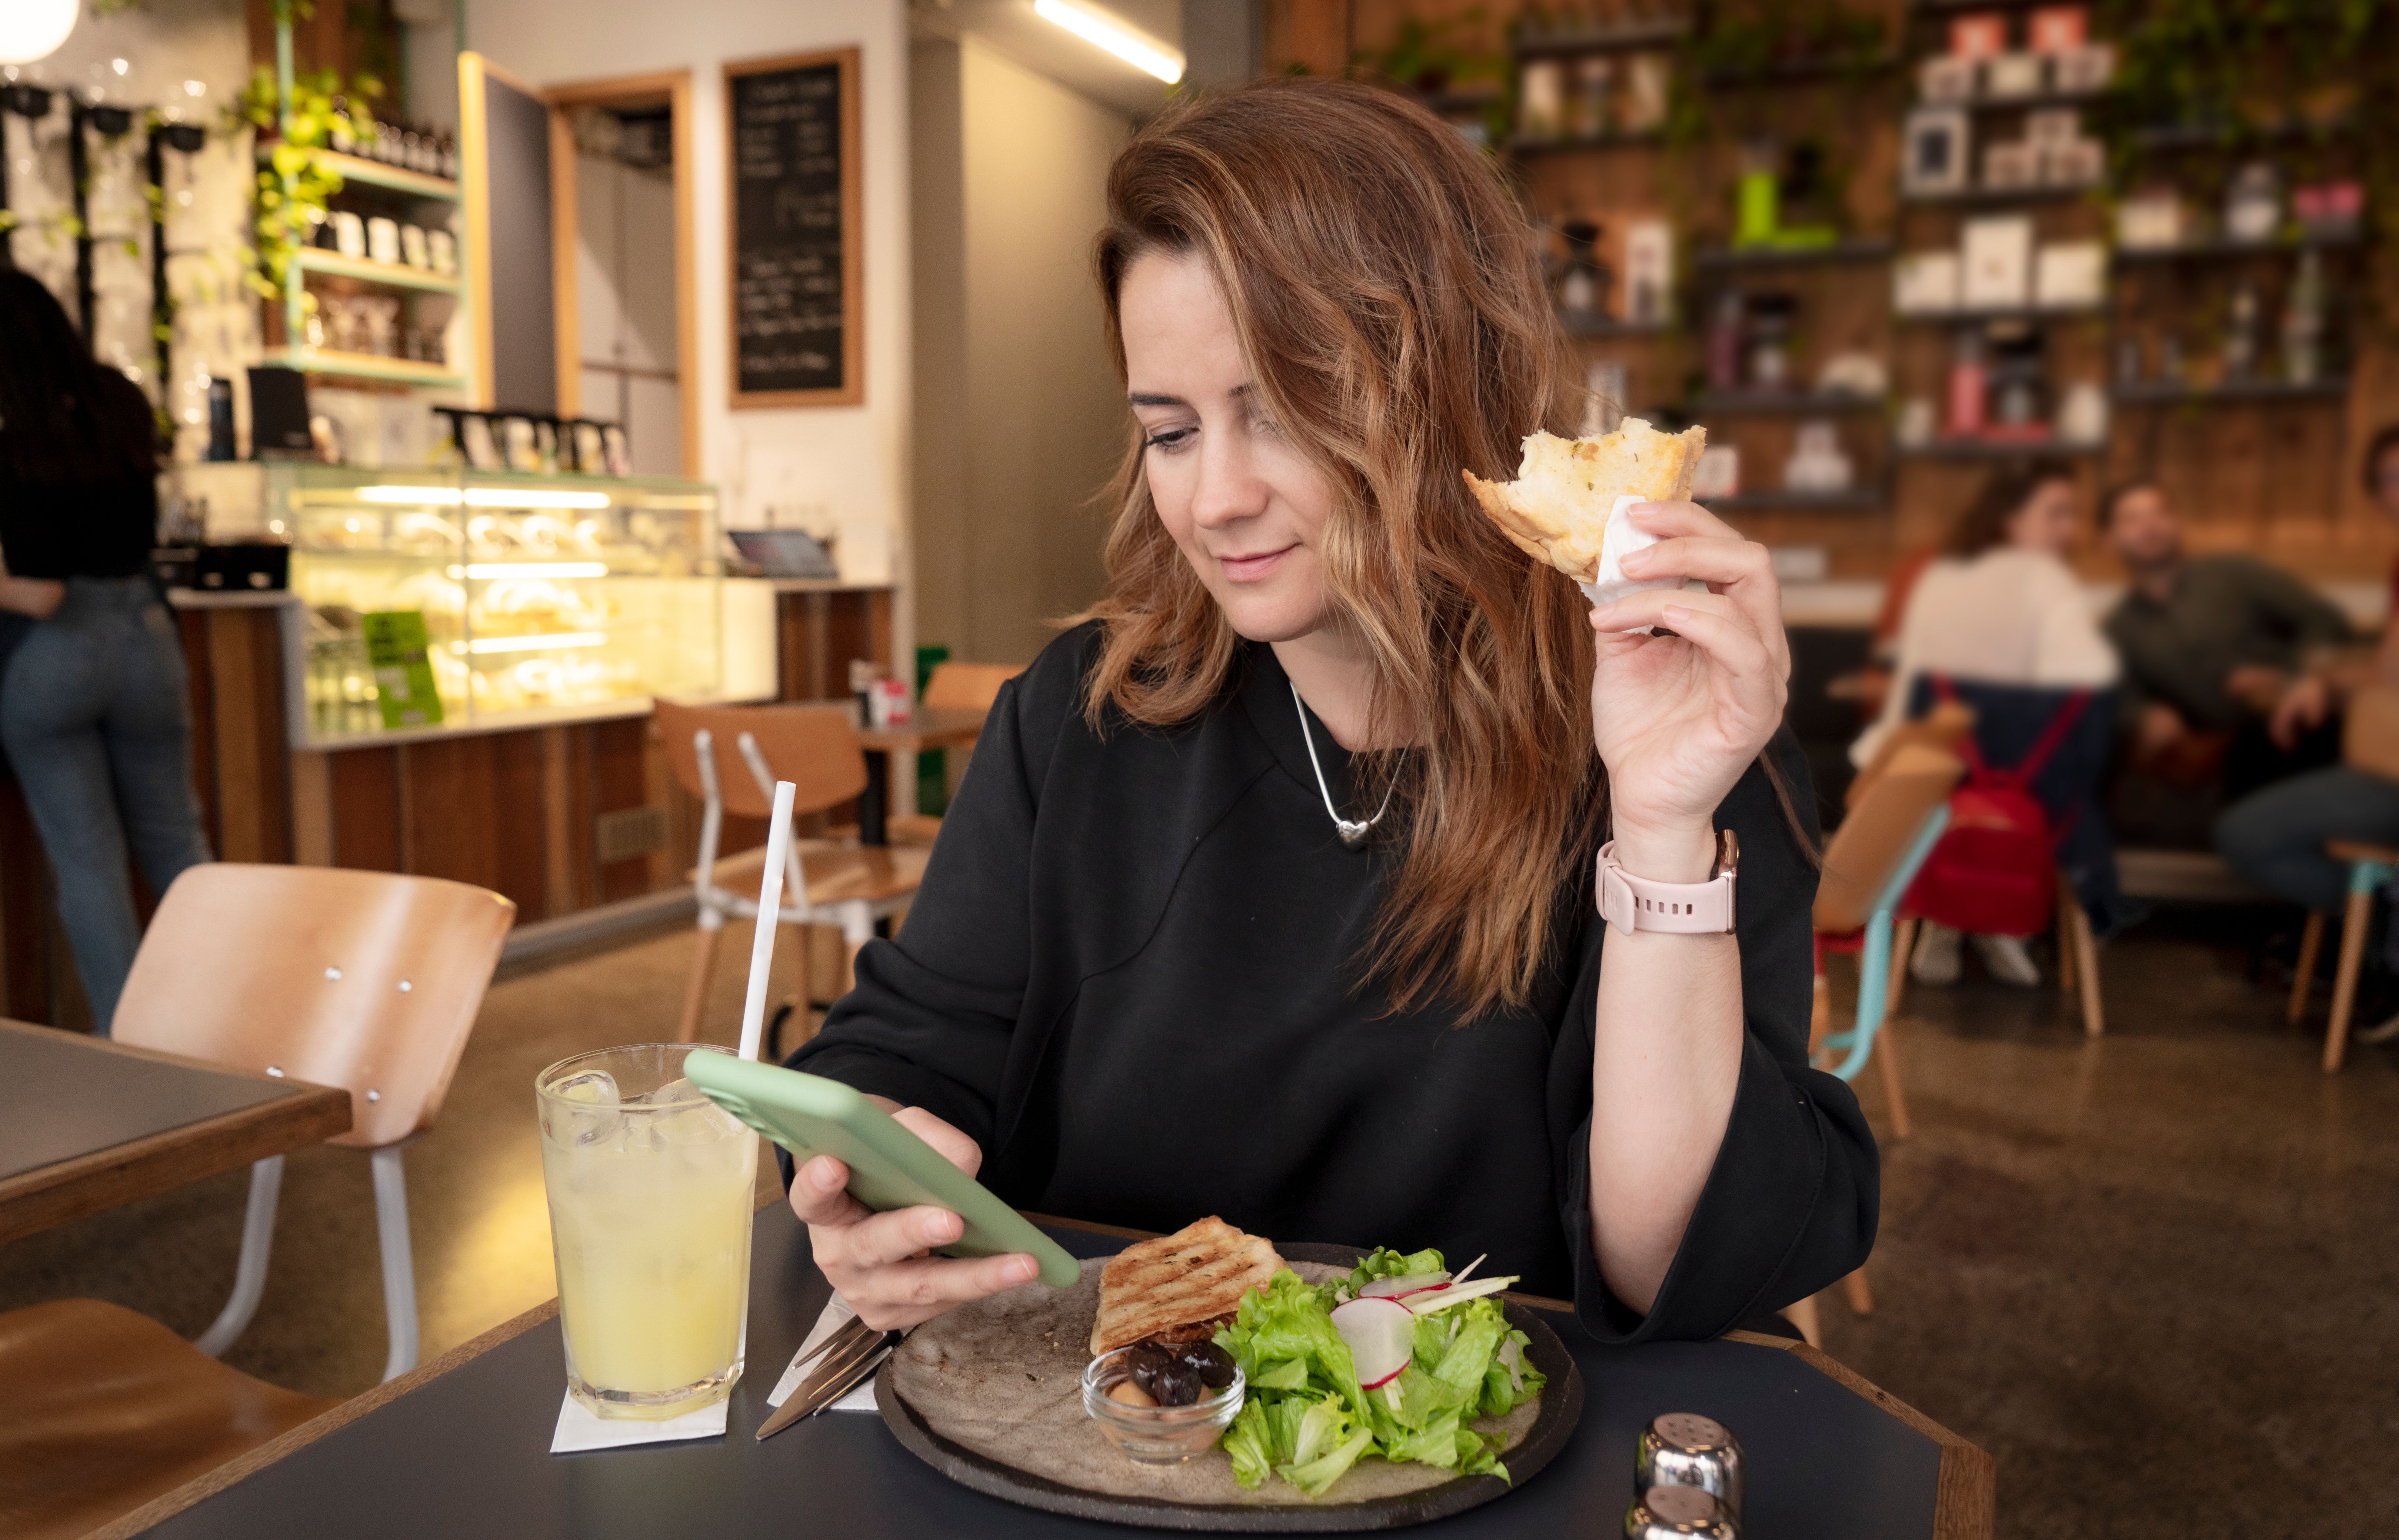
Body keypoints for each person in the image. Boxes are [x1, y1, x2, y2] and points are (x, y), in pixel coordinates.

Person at [782, 81, 1874, 1344]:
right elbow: (903, 1053)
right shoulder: (1081, 723)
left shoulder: (1662, 732)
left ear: (1447, 389)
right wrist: (871, 1180)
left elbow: (1667, 1264)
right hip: (1101, 1447)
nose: (1215, 500)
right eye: (1171, 431)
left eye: (1287, 410)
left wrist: (1665, 831)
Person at [0, 269, 212, 1034]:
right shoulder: (117, 399)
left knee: (89, 866)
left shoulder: (14, 425)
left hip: (57, 655)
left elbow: (39, 591)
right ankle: (226, 1025)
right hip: (146, 637)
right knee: (178, 845)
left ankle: (132, 1054)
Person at [1849, 463, 2122, 986]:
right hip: (2017, 789)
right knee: (2070, 775)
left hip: (1925, 777)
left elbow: (1912, 691)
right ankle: (2003, 920)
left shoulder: (1940, 578)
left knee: (1990, 766)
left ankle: (1949, 913)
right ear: (2010, 519)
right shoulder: (2049, 583)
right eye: (2056, 514)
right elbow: (2093, 681)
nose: (2069, 529)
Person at [2213, 425, 2399, 1042]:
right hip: (2383, 758)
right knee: (2248, 818)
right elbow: (2386, 672)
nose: (2398, 491)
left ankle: (2376, 951)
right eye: (2389, 481)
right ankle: (2375, 939)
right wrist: (2317, 683)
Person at [2101, 479, 2353, 803]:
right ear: (2109, 541)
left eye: (2160, 512)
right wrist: (2143, 716)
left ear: (2177, 523)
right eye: (2132, 519)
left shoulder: (2236, 573)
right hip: (2231, 753)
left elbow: (2326, 619)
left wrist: (2289, 675)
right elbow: (2121, 697)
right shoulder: (2119, 629)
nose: (2150, 525)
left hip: (2307, 724)